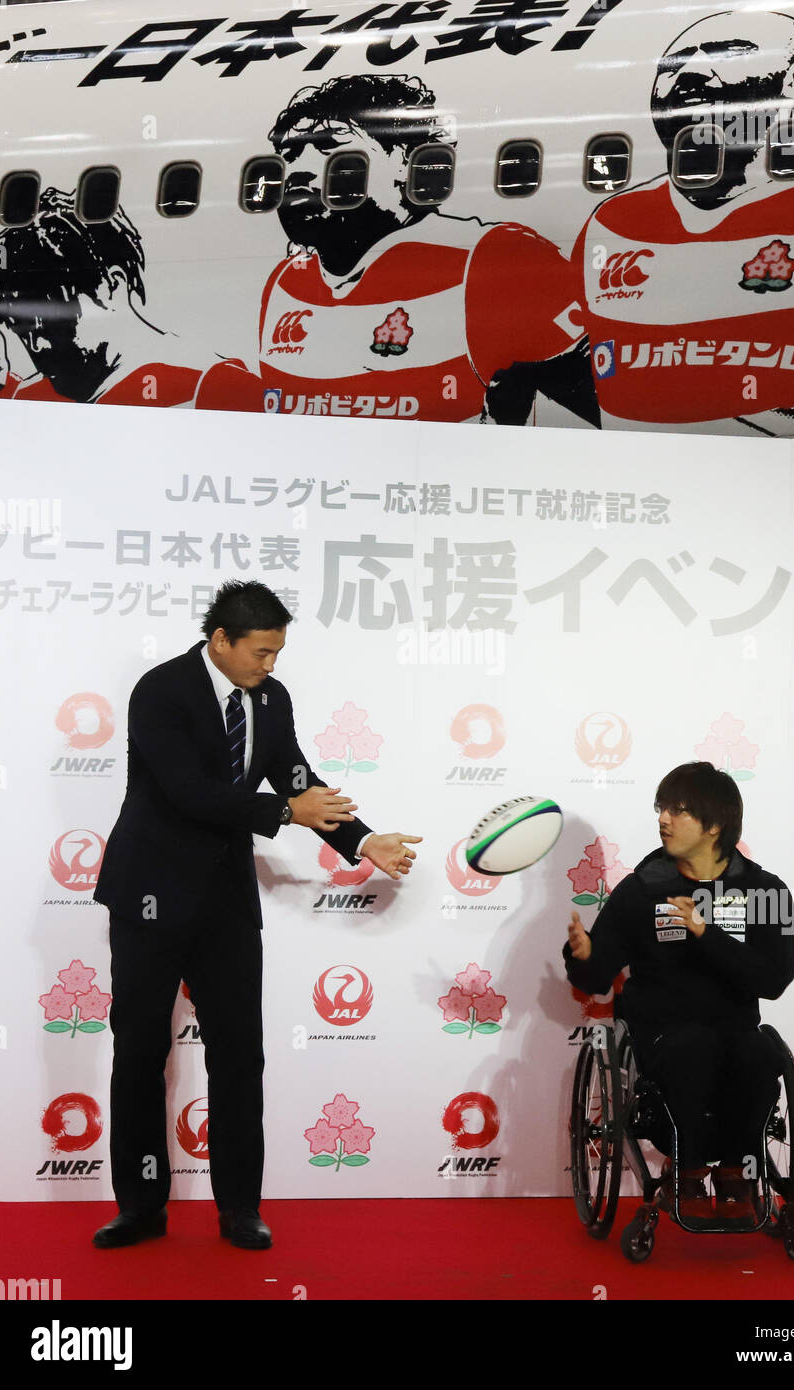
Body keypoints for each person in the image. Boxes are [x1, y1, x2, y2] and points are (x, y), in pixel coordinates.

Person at [92, 579, 421, 1249]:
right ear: (221, 641)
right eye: (262, 652)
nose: (270, 665)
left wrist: (361, 840)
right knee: (140, 1053)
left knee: (241, 1058)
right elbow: (189, 793)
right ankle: (140, 1208)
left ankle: (240, 1208)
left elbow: (297, 780)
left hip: (225, 907)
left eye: (277, 653)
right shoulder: (161, 691)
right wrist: (279, 813)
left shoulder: (270, 699)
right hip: (148, 897)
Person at [573, 9, 794, 438]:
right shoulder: (610, 225)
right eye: (675, 62)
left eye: (728, 54)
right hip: (634, 495)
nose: (691, 72)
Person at [196, 73, 597, 425]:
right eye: (290, 154)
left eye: (328, 147)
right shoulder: (286, 283)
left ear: (406, 162)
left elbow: (617, 413)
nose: (298, 169)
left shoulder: (486, 259)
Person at [564, 761, 794, 1225]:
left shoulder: (767, 891)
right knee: (694, 1047)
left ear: (714, 825)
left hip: (735, 1029)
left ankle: (736, 1175)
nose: (663, 819)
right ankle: (684, 1174)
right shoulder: (641, 891)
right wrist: (585, 955)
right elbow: (595, 979)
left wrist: (704, 932)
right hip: (663, 1034)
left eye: (679, 810)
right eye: (661, 808)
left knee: (758, 1054)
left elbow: (774, 980)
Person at [0, 188, 239, 406]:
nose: (37, 346)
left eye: (48, 318)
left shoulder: (209, 386)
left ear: (111, 287)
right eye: (20, 327)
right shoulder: (27, 394)